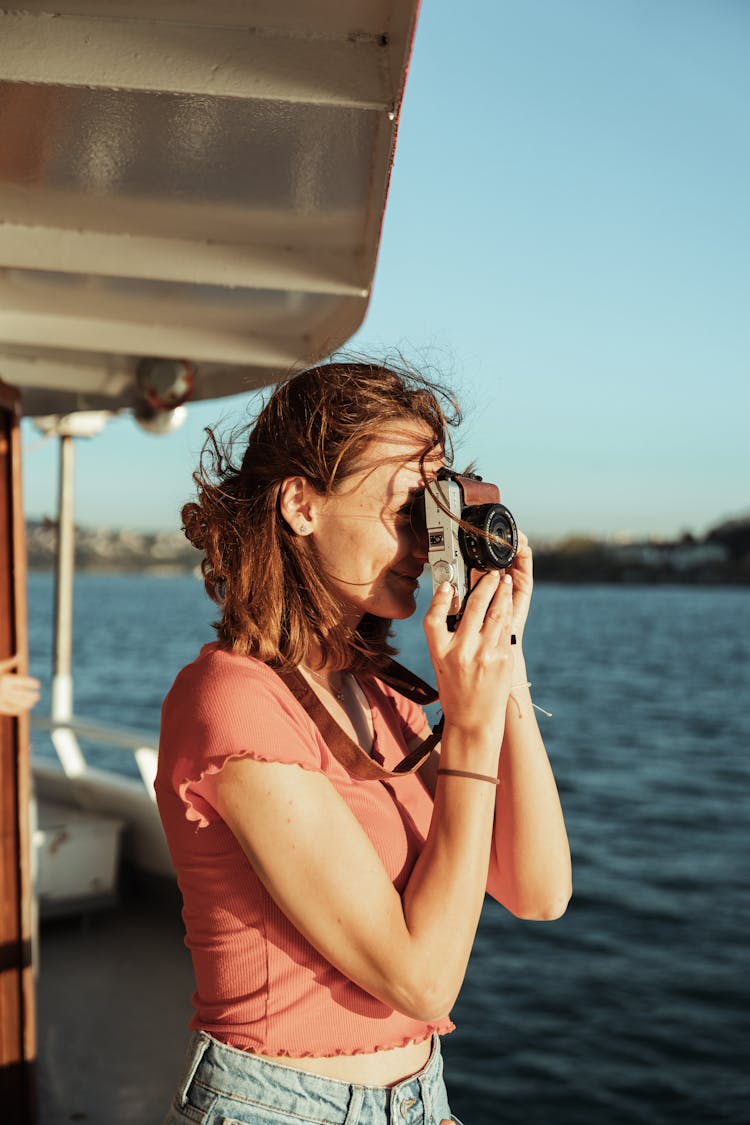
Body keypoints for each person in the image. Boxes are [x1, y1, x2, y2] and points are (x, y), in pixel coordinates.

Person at [155, 360, 571, 1125]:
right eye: (406, 507)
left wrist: (502, 655)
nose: (423, 541)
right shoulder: (234, 700)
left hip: (422, 1097)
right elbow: (421, 981)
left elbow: (539, 890)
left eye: (434, 509)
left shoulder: (384, 696)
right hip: (278, 1107)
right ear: (301, 504)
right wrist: (470, 725)